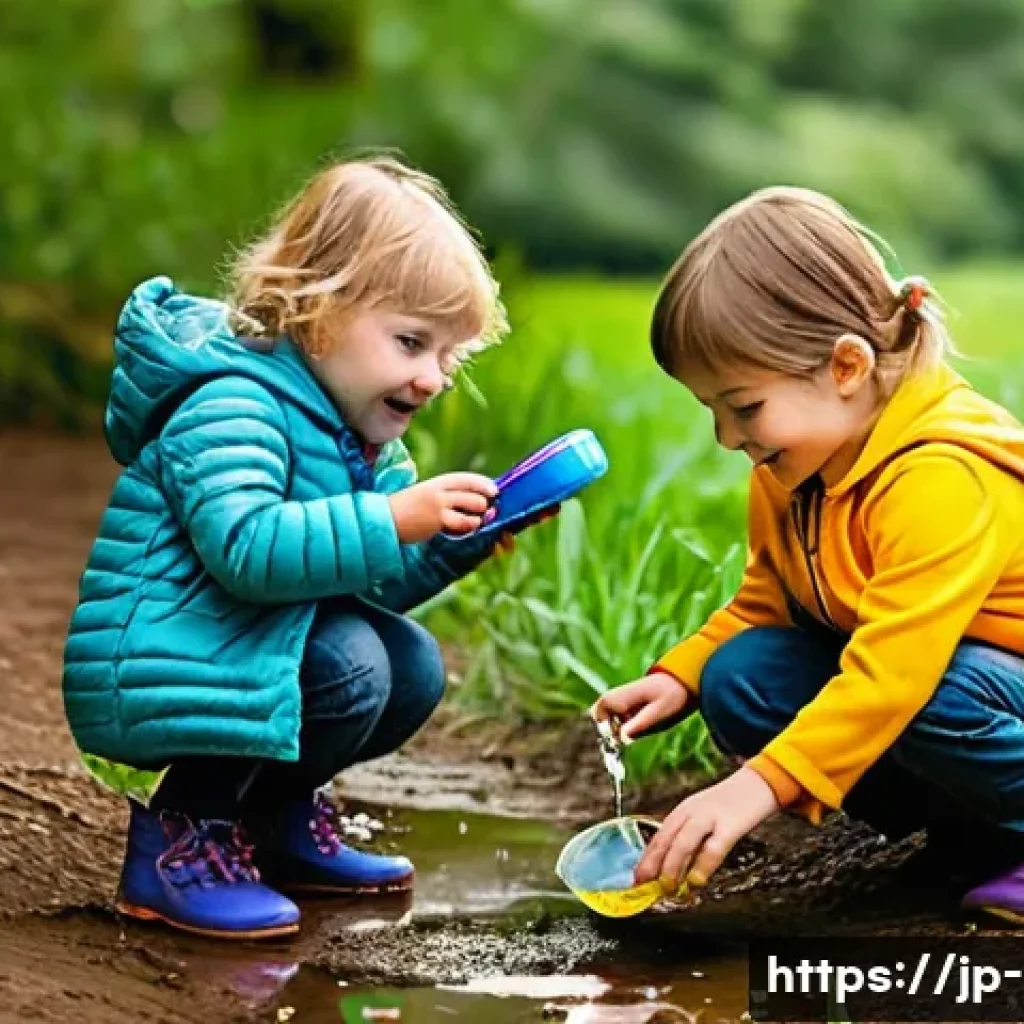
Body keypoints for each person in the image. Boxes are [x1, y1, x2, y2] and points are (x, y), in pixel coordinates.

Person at [62, 155, 553, 939]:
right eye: (411, 342)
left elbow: (365, 583)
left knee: (410, 663)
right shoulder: (232, 405)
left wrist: (455, 538)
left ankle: (271, 820)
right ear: (319, 313)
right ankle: (180, 837)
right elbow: (248, 550)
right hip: (166, 659)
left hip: (245, 649)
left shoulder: (359, 439)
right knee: (353, 662)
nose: (432, 379)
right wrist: (395, 519)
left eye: (448, 358)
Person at [593, 186, 1024, 925]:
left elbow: (893, 675)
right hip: (943, 689)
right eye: (712, 412)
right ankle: (976, 838)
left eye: (744, 406)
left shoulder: (941, 475)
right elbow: (770, 602)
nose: (728, 438)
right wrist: (682, 675)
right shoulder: (795, 468)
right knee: (742, 678)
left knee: (929, 697)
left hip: (967, 683)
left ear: (847, 366)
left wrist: (757, 785)